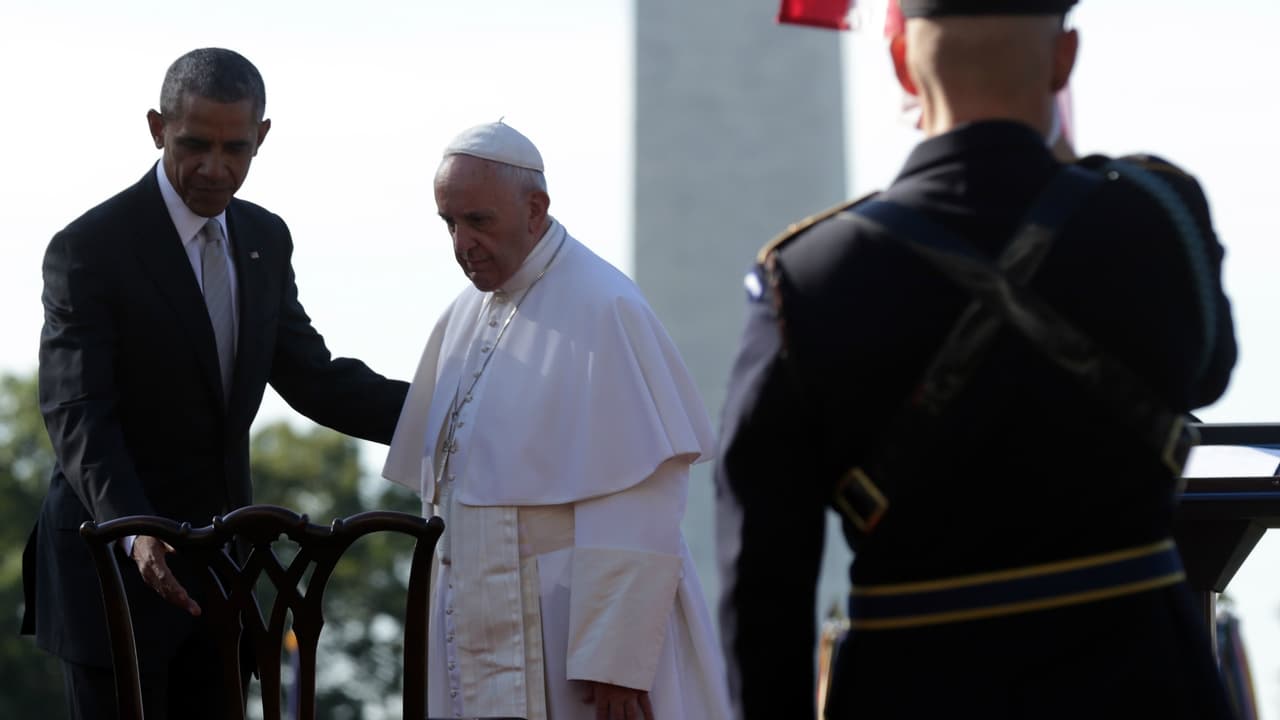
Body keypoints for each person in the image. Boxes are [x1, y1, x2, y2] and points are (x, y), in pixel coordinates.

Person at [715, 1, 1239, 718]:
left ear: (902, 64)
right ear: (1064, 60)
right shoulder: (1160, 216)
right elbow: (1209, 375)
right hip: (1145, 685)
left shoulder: (805, 280)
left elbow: (763, 587)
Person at [20, 47, 409, 719]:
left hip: (222, 576)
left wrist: (453, 410)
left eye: (236, 148)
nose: (214, 167)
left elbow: (314, 380)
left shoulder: (264, 238)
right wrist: (135, 530)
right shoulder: (90, 248)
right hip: (111, 568)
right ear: (156, 127)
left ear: (261, 137)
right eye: (194, 144)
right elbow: (79, 412)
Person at [382, 121, 732, 720]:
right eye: (450, 223)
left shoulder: (605, 306)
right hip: (472, 617)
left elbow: (641, 497)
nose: (462, 243)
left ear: (535, 210)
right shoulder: (462, 317)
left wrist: (616, 659)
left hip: (570, 626)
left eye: (479, 221)